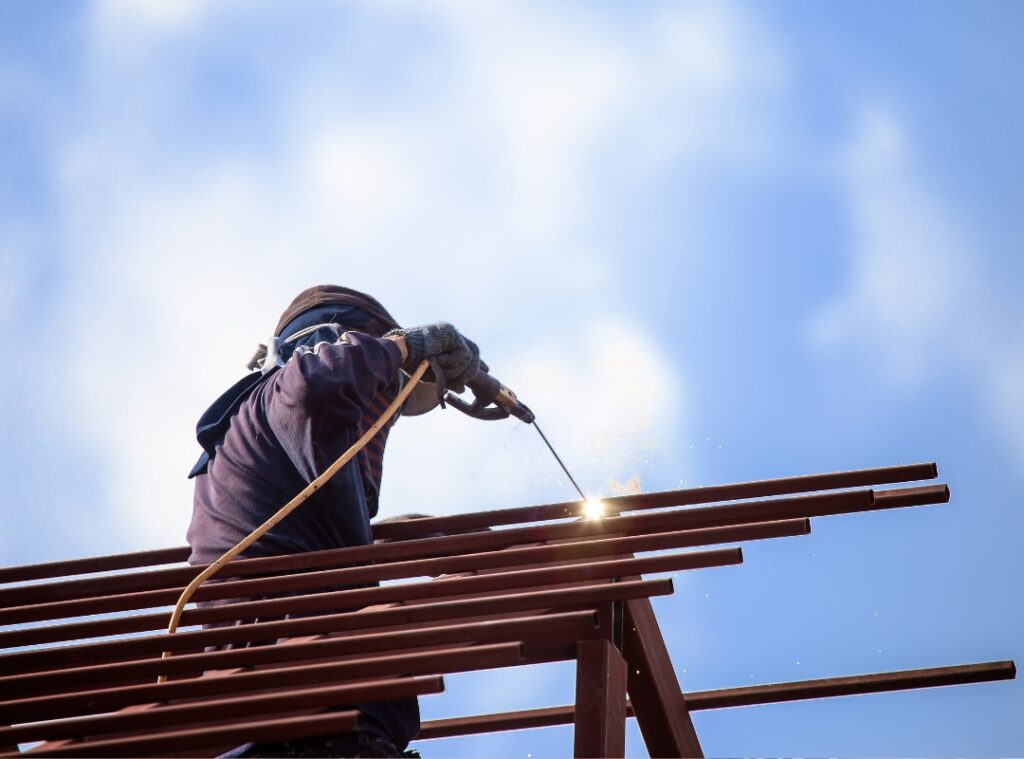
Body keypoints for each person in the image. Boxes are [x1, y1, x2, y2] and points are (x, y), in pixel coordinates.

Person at [186, 285, 482, 758]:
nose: (377, 414)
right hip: (315, 737)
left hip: (294, 734)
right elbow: (317, 383)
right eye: (377, 385)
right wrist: (404, 346)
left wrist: (388, 544)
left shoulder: (252, 452)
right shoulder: (279, 397)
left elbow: (291, 555)